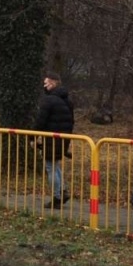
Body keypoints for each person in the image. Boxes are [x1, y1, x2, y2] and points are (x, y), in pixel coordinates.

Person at [34, 73, 75, 208]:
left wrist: (32, 137)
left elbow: (40, 121)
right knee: (55, 165)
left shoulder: (49, 100)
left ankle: (58, 197)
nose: (44, 86)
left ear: (52, 83)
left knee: (50, 167)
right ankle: (63, 191)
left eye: (46, 83)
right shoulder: (67, 100)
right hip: (64, 137)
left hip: (51, 138)